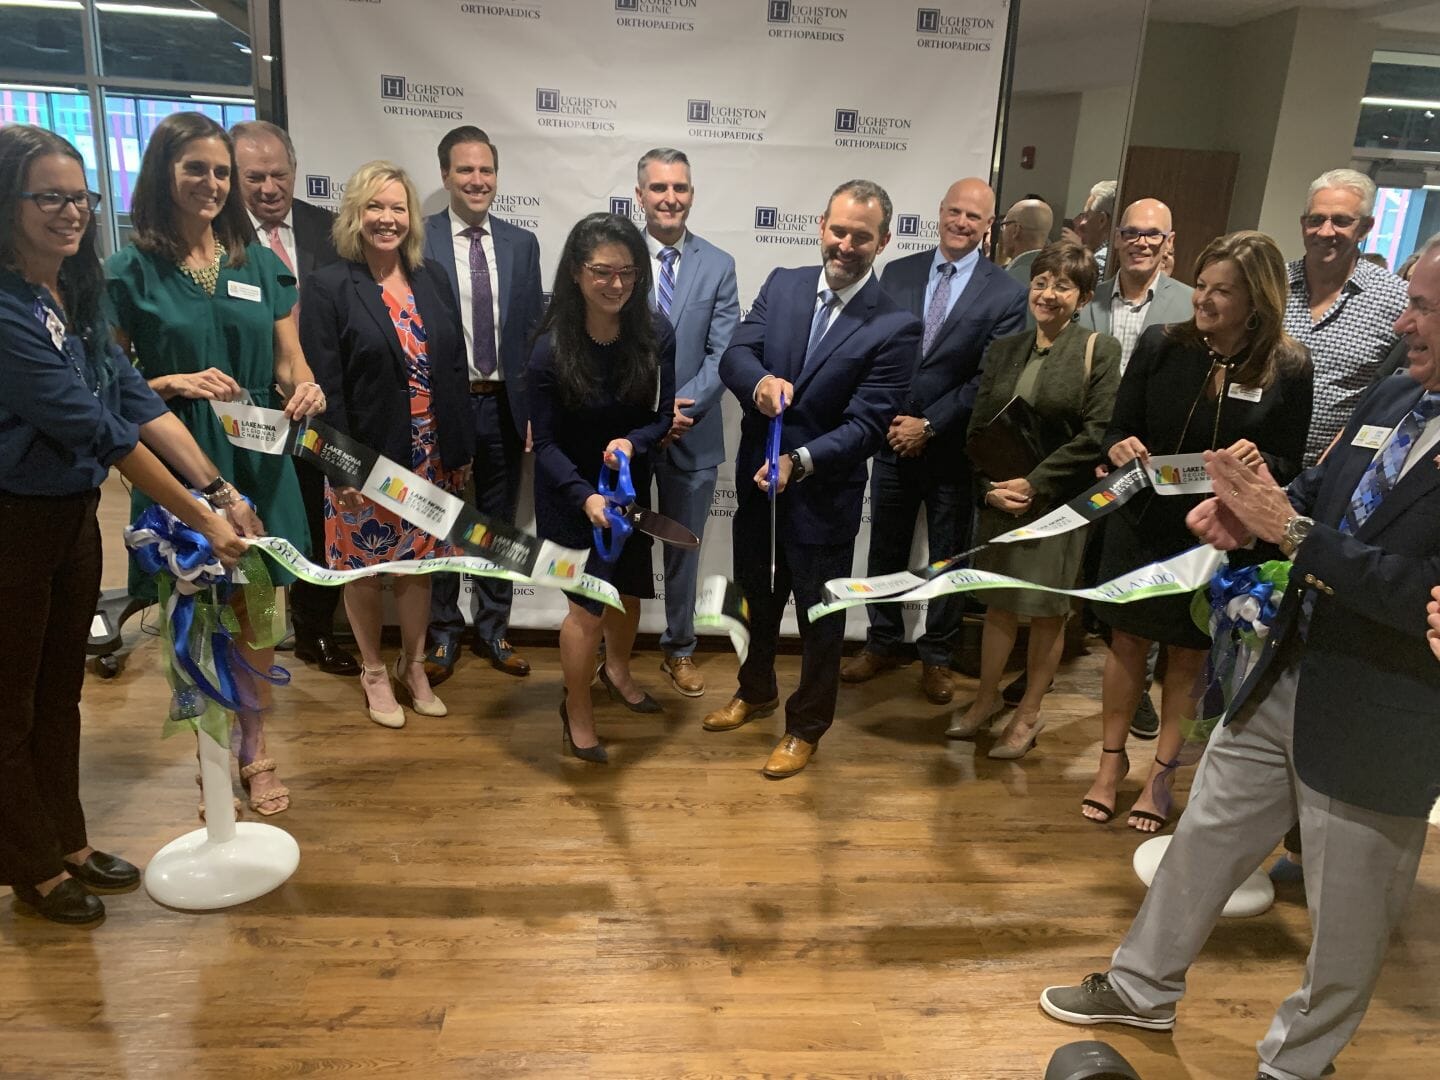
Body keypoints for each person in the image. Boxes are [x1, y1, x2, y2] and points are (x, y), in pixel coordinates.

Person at [1041, 232, 1440, 1080]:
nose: (1404, 322)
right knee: (1206, 840)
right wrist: (1251, 517)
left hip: (1383, 714)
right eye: (1411, 300)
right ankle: (1140, 985)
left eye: (1426, 308)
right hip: (1285, 668)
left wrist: (1286, 528)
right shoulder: (1398, 396)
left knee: (1350, 920)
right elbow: (1321, 497)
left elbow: (1419, 593)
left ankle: (1299, 1062)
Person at [0, 125, 249, 926]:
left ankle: (67, 840)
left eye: (80, 197)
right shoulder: (5, 310)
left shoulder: (70, 293)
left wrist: (215, 482)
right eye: (49, 196)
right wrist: (203, 519)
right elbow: (98, 430)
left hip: (69, 522)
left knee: (58, 692)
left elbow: (131, 398)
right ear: (9, 202)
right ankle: (30, 867)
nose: (70, 213)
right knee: (10, 706)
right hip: (12, 526)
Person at [107, 111, 325, 817]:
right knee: (195, 611)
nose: (211, 183)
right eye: (195, 168)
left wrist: (307, 388)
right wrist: (170, 384)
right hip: (179, 455)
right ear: (163, 173)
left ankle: (255, 750)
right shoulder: (126, 269)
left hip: (261, 454)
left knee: (258, 609)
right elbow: (106, 379)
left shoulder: (256, 261)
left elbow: (291, 362)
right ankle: (210, 757)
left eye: (220, 171)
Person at [1086, 232, 1312, 832]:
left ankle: (1161, 778)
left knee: (1190, 653)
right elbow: (1117, 426)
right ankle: (1109, 768)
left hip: (1215, 535)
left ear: (1256, 301)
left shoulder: (1288, 366)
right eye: (1201, 286)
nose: (1203, 301)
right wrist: (1119, 445)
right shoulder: (1164, 344)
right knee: (1126, 644)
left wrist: (1261, 461)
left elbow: (1292, 463)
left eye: (1221, 291)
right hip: (1141, 524)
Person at [703, 179, 921, 778]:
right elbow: (736, 354)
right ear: (821, 223)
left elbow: (868, 425)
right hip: (757, 486)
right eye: (839, 229)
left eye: (862, 236)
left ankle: (806, 726)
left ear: (883, 241)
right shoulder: (784, 282)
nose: (846, 244)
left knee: (819, 619)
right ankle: (756, 690)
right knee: (757, 598)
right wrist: (758, 384)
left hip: (823, 495)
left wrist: (800, 462)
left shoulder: (896, 326)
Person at [298, 162, 473, 729]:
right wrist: (341, 470)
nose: (387, 219)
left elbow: (452, 368)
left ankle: (413, 664)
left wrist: (460, 450)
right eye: (375, 207)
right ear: (355, 214)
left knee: (419, 569)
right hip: (364, 458)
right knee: (365, 569)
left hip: (430, 452)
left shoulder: (431, 277)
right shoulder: (328, 285)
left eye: (397, 208)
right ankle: (374, 671)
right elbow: (326, 386)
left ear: (411, 218)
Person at [840, 178, 1026, 705]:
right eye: (955, 212)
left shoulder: (1007, 293)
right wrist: (894, 421)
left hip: (952, 450)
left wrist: (932, 425)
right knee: (886, 548)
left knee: (950, 556)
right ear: (939, 212)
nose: (962, 223)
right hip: (890, 439)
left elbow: (989, 379)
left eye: (974, 217)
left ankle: (938, 655)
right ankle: (881, 642)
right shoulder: (896, 273)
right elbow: (874, 350)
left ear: (989, 227)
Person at [947, 243, 1120, 756]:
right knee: (999, 606)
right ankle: (984, 702)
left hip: (1059, 506)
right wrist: (988, 488)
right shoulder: (1005, 349)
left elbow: (1096, 434)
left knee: (1046, 613)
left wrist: (1034, 483)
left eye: (1063, 286)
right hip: (1000, 501)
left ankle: (1028, 715)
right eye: (1041, 281)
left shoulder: (1098, 349)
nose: (1048, 294)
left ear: (1083, 296)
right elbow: (978, 431)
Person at [530, 213, 676, 763]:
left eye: (628, 273)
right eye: (602, 272)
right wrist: (584, 496)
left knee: (629, 592)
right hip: (572, 495)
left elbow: (663, 416)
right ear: (575, 272)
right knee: (587, 611)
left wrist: (632, 444)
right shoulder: (549, 348)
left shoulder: (657, 334)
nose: (616, 284)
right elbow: (542, 444)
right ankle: (578, 709)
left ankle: (617, 671)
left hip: (628, 488)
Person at [232, 119, 356, 677]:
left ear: (295, 172)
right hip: (243, 405)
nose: (268, 187)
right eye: (253, 176)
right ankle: (253, 635)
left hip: (317, 405)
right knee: (250, 518)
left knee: (315, 521)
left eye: (278, 174)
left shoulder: (331, 230)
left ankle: (312, 632)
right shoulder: (218, 234)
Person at [422, 126, 544, 685]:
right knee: (443, 521)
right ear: (445, 175)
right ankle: (442, 634)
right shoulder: (417, 242)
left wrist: (533, 411)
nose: (477, 180)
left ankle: (494, 628)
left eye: (486, 170)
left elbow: (532, 335)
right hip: (444, 405)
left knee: (498, 525)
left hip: (505, 407)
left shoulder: (522, 244)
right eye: (465, 170)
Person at [635, 148, 739, 698]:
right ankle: (612, 650)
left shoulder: (718, 264)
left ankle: (679, 650)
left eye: (679, 188)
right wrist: (646, 418)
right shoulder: (616, 256)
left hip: (691, 433)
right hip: (626, 435)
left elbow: (724, 353)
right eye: (658, 188)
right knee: (620, 549)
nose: (669, 198)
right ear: (640, 196)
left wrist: (678, 411)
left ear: (691, 194)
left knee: (682, 548)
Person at [1286, 169, 1408, 468]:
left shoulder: (1397, 300)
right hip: (1258, 463)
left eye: (1341, 221)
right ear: (1303, 224)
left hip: (1338, 471)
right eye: (1316, 220)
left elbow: (1398, 397)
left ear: (1365, 227)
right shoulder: (1271, 287)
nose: (1326, 232)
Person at [1078, 199, 1192, 372]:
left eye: (1153, 234)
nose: (1141, 242)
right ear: (1117, 238)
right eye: (1131, 232)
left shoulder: (1190, 305)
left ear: (1169, 241)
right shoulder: (1085, 299)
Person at [1067, 180, 1116, 278]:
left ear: (1102, 220)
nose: (1081, 224)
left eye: (1086, 216)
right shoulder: (1113, 255)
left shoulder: (1100, 263)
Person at [1000, 197, 1052, 285]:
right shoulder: (1060, 275)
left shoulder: (1004, 280)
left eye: (1004, 225)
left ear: (1016, 230)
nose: (1002, 231)